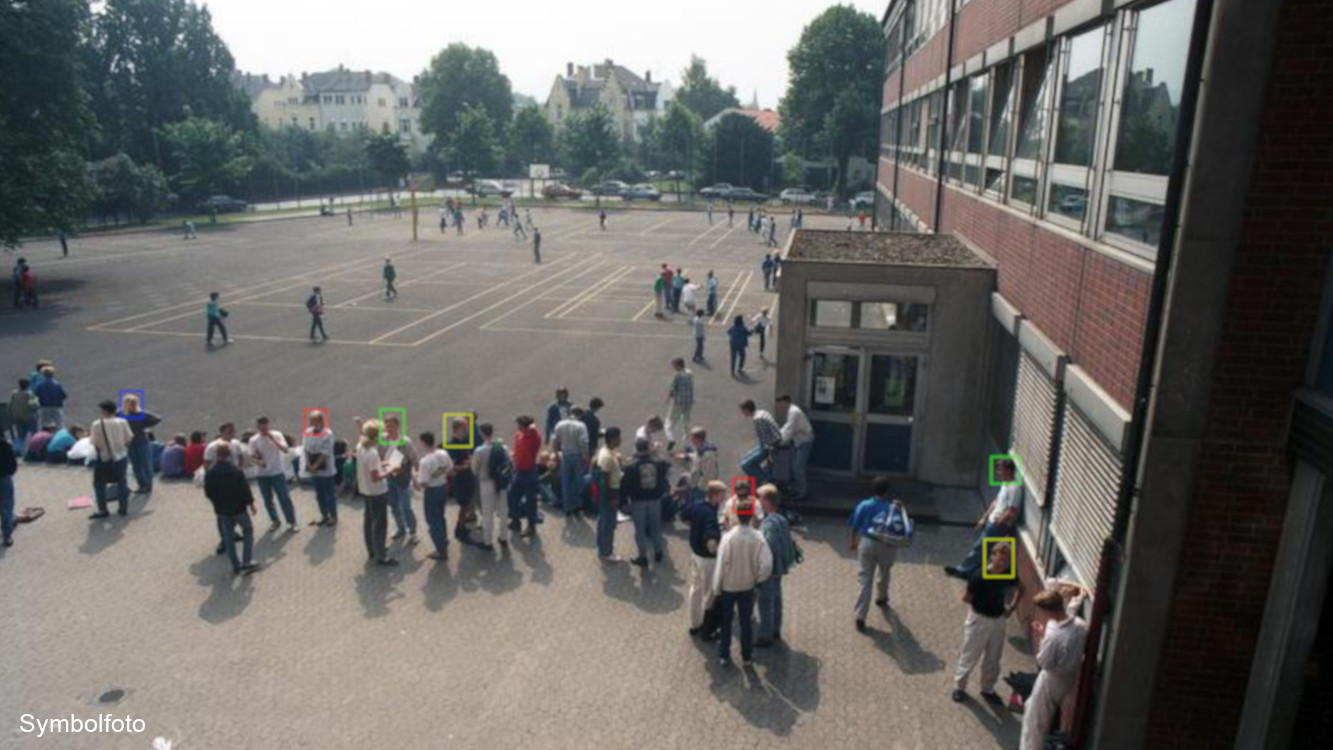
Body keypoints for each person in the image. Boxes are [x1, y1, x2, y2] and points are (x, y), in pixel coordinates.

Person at [952, 541, 1022, 704]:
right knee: (970, 655)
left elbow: (1021, 588)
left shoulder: (1009, 574)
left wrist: (1011, 607)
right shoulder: (979, 576)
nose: (1003, 563)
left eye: (1007, 560)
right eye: (1001, 559)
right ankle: (959, 687)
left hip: (998, 621)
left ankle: (987, 689)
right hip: (979, 620)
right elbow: (966, 598)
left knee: (993, 658)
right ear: (993, 556)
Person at [1020, 587, 1089, 750]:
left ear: (1047, 610)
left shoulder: (1054, 637)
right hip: (1068, 678)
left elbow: (1044, 662)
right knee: (1034, 708)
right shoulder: (1079, 625)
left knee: (1036, 721)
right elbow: (1069, 615)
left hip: (1051, 680)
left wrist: (1041, 637)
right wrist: (1078, 598)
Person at [712, 497, 773, 666]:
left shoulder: (728, 538)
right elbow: (767, 563)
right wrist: (757, 578)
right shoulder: (758, 537)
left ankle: (724, 655)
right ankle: (747, 656)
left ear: (737, 515)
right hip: (747, 586)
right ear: (752, 515)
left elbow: (721, 564)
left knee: (726, 622)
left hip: (728, 587)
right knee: (746, 622)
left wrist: (716, 588)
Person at [946, 459, 1023, 579]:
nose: (998, 472)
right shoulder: (1005, 485)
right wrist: (984, 518)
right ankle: (972, 573)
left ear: (1008, 470)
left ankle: (962, 570)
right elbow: (996, 502)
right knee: (984, 549)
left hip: (999, 525)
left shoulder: (1014, 488)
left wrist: (999, 521)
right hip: (992, 522)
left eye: (1000, 470)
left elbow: (1012, 511)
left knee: (980, 547)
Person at [848, 476, 903, 632]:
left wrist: (853, 542)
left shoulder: (864, 505)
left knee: (865, 579)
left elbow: (854, 525)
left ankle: (860, 615)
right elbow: (901, 526)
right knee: (885, 572)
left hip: (866, 543)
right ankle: (882, 597)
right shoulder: (893, 507)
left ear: (873, 489)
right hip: (887, 545)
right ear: (887, 491)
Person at [203, 443, 260, 575]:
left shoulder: (211, 472)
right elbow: (245, 489)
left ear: (217, 455)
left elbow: (208, 493)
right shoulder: (236, 471)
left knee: (228, 537)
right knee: (248, 531)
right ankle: (247, 561)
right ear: (229, 454)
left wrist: (217, 503)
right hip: (239, 508)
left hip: (222, 510)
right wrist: (251, 503)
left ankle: (236, 565)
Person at [619, 438, 670, 568]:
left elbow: (624, 486)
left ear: (636, 449)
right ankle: (658, 552)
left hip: (638, 501)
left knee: (640, 530)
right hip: (655, 500)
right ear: (648, 448)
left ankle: (643, 557)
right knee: (655, 527)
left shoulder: (631, 466)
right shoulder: (658, 463)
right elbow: (666, 468)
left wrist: (623, 502)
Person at [756, 485, 797, 647]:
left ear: (767, 500)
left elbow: (768, 547)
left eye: (760, 498)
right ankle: (775, 630)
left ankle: (765, 636)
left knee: (765, 602)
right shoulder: (781, 519)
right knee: (777, 598)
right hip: (780, 567)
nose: (758, 501)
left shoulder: (768, 524)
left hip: (770, 569)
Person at [685, 480, 726, 637]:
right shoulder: (710, 513)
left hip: (695, 555)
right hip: (708, 559)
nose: (723, 498)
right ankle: (707, 630)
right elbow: (711, 539)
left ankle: (694, 624)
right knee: (709, 593)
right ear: (715, 495)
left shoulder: (697, 505)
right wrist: (716, 550)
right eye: (722, 495)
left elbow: (683, 516)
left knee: (695, 589)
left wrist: (696, 529)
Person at [354, 421, 395, 565]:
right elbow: (376, 477)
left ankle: (372, 550)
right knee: (380, 524)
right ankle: (381, 556)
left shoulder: (360, 446)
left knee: (369, 521)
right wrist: (390, 470)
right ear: (375, 435)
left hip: (365, 490)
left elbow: (370, 468)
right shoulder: (372, 453)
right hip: (377, 492)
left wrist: (382, 464)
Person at [249, 417, 298, 532]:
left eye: (266, 427)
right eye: (262, 428)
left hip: (277, 472)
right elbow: (252, 455)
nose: (265, 430)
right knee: (268, 500)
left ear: (269, 425)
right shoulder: (253, 440)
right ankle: (275, 521)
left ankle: (292, 522)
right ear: (258, 427)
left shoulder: (277, 434)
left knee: (284, 498)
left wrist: (273, 440)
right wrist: (259, 461)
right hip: (262, 475)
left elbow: (285, 450)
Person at [89, 399, 133, 518]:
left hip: (104, 458)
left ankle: (103, 510)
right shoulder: (123, 422)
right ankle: (123, 508)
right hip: (121, 456)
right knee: (122, 482)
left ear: (104, 411)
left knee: (99, 484)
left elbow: (95, 443)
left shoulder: (97, 424)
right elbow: (129, 439)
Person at [416, 431, 454, 560]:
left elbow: (423, 483)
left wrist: (415, 479)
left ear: (423, 442)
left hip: (432, 491)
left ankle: (440, 550)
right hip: (443, 487)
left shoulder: (425, 461)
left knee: (433, 520)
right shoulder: (443, 453)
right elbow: (450, 469)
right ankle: (444, 539)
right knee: (440, 516)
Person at [381, 414, 418, 544]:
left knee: (406, 507)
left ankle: (413, 532)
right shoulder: (383, 439)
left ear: (397, 425)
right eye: (387, 425)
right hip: (388, 478)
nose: (388, 428)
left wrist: (417, 478)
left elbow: (414, 459)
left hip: (403, 479)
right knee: (393, 505)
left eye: (391, 425)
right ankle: (401, 528)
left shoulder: (406, 441)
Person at [472, 423, 509, 551]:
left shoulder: (479, 450)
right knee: (503, 511)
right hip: (501, 483)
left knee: (487, 514)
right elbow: (509, 464)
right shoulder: (502, 447)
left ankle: (488, 542)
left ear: (481, 433)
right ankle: (503, 538)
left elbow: (474, 470)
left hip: (486, 483)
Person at [591, 426, 623, 561]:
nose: (621, 440)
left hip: (606, 494)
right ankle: (607, 552)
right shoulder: (608, 457)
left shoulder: (606, 452)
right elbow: (605, 481)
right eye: (619, 437)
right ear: (613, 439)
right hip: (609, 494)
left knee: (603, 521)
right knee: (608, 524)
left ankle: (602, 547)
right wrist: (612, 498)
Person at [552, 407, 590, 518]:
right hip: (577, 455)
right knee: (578, 481)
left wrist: (556, 453)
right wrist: (585, 456)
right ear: (579, 415)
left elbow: (555, 441)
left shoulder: (560, 424)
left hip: (565, 455)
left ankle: (567, 507)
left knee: (566, 481)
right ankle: (577, 507)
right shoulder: (581, 426)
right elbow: (583, 442)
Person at [507, 415, 541, 538]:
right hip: (519, 471)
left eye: (520, 425)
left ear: (526, 426)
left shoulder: (533, 436)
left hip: (529, 472)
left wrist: (531, 426)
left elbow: (533, 431)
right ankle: (516, 521)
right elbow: (517, 448)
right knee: (511, 496)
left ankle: (531, 526)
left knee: (531, 501)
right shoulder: (519, 434)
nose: (518, 427)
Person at [776, 395, 815, 500]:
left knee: (798, 468)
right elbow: (787, 427)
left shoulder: (794, 412)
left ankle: (802, 493)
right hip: (799, 442)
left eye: (780, 404)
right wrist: (778, 434)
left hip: (804, 442)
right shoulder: (792, 411)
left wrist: (779, 441)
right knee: (794, 467)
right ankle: (797, 490)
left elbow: (789, 429)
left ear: (785, 402)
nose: (779, 407)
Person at [120, 393, 160, 494]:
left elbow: (157, 418)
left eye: (134, 403)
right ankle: (142, 485)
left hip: (142, 442)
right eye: (131, 403)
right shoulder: (121, 414)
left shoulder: (140, 413)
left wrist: (145, 425)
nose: (133, 405)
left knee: (145, 464)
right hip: (130, 443)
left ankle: (148, 485)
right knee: (136, 465)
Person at [303, 411, 338, 526]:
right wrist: (308, 464)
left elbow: (325, 452)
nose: (310, 422)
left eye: (313, 420)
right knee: (319, 495)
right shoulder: (308, 432)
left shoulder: (327, 433)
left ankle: (333, 516)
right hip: (313, 469)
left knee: (329, 495)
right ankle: (324, 515)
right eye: (310, 420)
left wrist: (315, 465)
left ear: (320, 421)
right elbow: (306, 448)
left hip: (325, 468)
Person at [446, 416, 477, 543]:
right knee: (463, 507)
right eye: (465, 427)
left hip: (468, 478)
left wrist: (470, 459)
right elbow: (451, 468)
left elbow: (466, 455)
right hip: (461, 481)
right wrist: (466, 466)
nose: (467, 429)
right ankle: (459, 530)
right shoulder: (452, 445)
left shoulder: (463, 441)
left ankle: (462, 527)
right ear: (457, 429)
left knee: (466, 506)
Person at [739, 399, 781, 486]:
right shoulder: (762, 412)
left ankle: (766, 479)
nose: (742, 413)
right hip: (768, 443)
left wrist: (768, 455)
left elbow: (766, 438)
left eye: (743, 411)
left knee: (745, 465)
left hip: (769, 445)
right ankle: (759, 479)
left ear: (747, 409)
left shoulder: (758, 419)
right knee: (744, 459)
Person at [665, 358, 695, 449]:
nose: (673, 368)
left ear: (678, 365)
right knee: (686, 423)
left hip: (678, 402)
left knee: (669, 422)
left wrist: (667, 398)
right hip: (689, 402)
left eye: (674, 365)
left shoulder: (677, 375)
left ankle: (671, 439)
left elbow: (673, 388)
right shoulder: (690, 373)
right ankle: (687, 443)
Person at [8, 379, 38, 453]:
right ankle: (33, 450)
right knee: (33, 433)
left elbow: (10, 405)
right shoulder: (30, 394)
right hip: (29, 417)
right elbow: (34, 406)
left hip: (17, 417)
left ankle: (17, 450)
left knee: (20, 435)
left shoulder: (14, 393)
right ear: (28, 385)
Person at [0, 438, 15, 547]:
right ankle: (7, 536)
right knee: (6, 506)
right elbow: (12, 463)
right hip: (4, 477)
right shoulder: (5, 444)